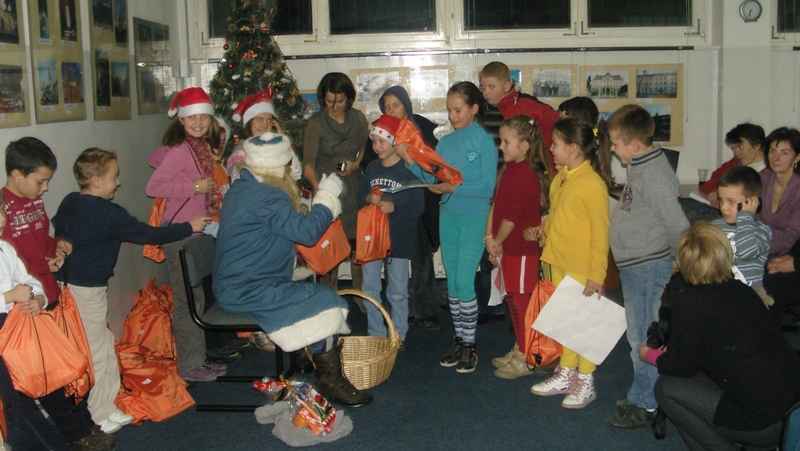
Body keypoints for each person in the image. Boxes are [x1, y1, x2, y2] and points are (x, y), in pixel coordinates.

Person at [52, 148, 209, 433]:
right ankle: (98, 413)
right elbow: (150, 234)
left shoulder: (70, 201)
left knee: (103, 347)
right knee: (97, 352)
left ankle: (106, 405)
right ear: (96, 181)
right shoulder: (108, 213)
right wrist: (188, 226)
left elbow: (58, 226)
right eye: (114, 177)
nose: (118, 182)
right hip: (86, 291)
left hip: (71, 286)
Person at [213, 131, 372, 407]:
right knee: (325, 300)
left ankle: (303, 353)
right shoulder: (267, 196)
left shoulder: (243, 187)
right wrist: (326, 197)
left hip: (237, 282)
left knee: (308, 281)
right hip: (247, 288)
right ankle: (330, 381)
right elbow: (307, 234)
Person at [0, 139, 118, 450]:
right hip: (23, 312)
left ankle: (83, 426)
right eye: (41, 181)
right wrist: (44, 264)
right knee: (49, 377)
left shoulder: (34, 203)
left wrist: (57, 245)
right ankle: (75, 434)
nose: (46, 188)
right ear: (17, 174)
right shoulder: (3, 209)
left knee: (65, 371)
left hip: (46, 295)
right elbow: (12, 264)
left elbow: (41, 241)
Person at [640, 222, 800, 451]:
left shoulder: (690, 302)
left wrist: (650, 355)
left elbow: (681, 367)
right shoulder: (742, 289)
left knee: (667, 388)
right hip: (791, 409)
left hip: (765, 424)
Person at [398, 81, 497, 373]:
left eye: (458, 110)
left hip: (475, 217)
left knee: (464, 281)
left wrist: (453, 189)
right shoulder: (445, 143)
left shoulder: (484, 142)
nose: (453, 116)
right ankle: (459, 338)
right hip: (449, 215)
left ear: (474, 108)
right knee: (453, 284)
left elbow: (488, 188)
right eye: (449, 110)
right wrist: (410, 160)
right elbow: (433, 179)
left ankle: (470, 345)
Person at [604, 104, 690, 429]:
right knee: (639, 331)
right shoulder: (641, 165)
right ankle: (642, 392)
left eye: (616, 143)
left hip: (646, 265)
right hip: (636, 264)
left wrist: (680, 258)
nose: (613, 149)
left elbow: (677, 223)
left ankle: (648, 403)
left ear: (634, 144)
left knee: (642, 335)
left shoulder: (654, 175)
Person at [145, 87, 231, 381]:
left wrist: (172, 161)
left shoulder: (197, 148)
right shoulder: (184, 151)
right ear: (181, 120)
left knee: (195, 297)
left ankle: (197, 359)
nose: (197, 122)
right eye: (191, 117)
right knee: (187, 302)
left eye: (203, 117)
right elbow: (153, 187)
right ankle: (190, 365)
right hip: (179, 233)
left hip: (194, 232)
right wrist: (194, 187)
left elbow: (155, 156)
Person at [529, 117, 611, 408]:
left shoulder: (592, 184)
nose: (551, 149)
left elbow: (601, 233)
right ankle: (566, 371)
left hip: (580, 266)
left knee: (582, 323)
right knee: (565, 320)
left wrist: (597, 274)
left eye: (556, 144)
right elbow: (557, 215)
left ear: (573, 148)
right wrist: (545, 231)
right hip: (557, 259)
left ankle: (585, 379)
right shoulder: (562, 177)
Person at [362, 86, 443, 331]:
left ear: (406, 104)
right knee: (390, 271)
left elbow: (433, 166)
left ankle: (424, 311)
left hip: (420, 203)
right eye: (386, 107)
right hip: (384, 218)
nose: (391, 110)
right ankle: (391, 321)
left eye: (395, 105)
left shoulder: (421, 129)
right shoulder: (379, 138)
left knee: (421, 257)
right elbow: (369, 173)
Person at [486, 116, 552, 380]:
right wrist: (489, 238)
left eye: (506, 142)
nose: (501, 146)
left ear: (524, 146)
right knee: (513, 300)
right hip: (507, 248)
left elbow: (512, 218)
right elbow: (495, 206)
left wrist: (497, 242)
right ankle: (521, 347)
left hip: (522, 252)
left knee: (521, 303)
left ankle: (527, 356)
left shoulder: (527, 175)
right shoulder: (509, 169)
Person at [357, 114, 423, 345]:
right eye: (374, 141)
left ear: (395, 142)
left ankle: (398, 335)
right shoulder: (372, 168)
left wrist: (395, 206)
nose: (377, 147)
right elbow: (360, 198)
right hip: (372, 240)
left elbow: (418, 205)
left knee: (397, 291)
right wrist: (369, 199)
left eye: (382, 141)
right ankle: (376, 333)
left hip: (399, 240)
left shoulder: (409, 169)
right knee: (370, 288)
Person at [303, 73, 369, 293]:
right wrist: (318, 191)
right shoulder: (315, 124)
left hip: (355, 191)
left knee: (359, 253)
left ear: (348, 98)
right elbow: (308, 164)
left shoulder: (358, 119)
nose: (334, 106)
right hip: (328, 194)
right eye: (329, 101)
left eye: (339, 101)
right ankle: (328, 301)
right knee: (328, 253)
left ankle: (362, 300)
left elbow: (364, 149)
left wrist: (355, 164)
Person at [709, 166, 772, 305]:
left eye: (730, 201)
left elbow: (746, 252)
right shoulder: (713, 227)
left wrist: (745, 217)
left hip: (750, 295)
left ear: (751, 202)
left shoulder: (761, 230)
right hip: (719, 291)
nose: (723, 207)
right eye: (721, 200)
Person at [756, 126, 800, 255]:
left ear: (797, 157)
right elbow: (750, 217)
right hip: (755, 241)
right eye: (772, 151)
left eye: (784, 153)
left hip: (785, 252)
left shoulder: (798, 190)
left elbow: (790, 238)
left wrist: (755, 251)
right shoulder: (762, 178)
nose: (775, 158)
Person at [700, 123, 767, 208]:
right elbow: (707, 186)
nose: (736, 153)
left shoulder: (774, 169)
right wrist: (717, 194)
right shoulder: (733, 164)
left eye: (741, 146)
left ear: (757, 144)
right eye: (734, 148)